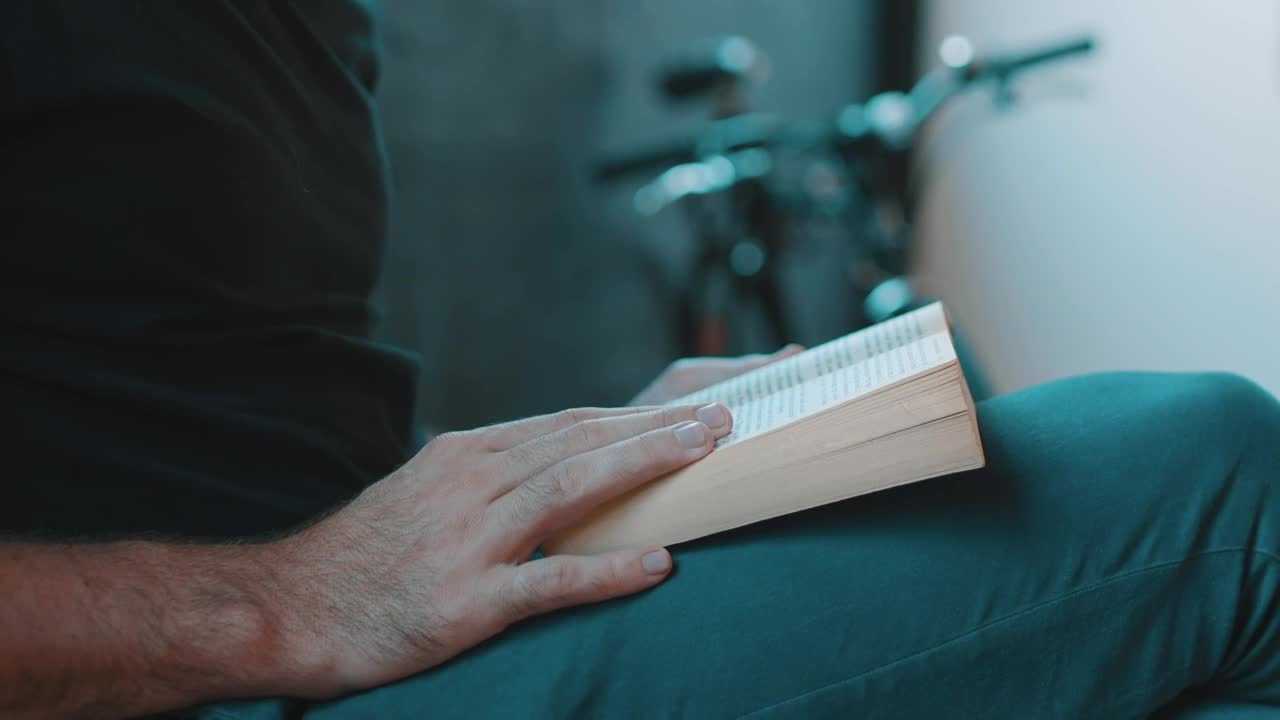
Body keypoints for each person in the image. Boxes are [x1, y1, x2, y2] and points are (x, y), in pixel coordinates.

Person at [3, 3, 1279, 719]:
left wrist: (575, 458)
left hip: (329, 623)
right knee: (1223, 483)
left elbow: (206, 409)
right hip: (192, 685)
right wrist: (279, 602)